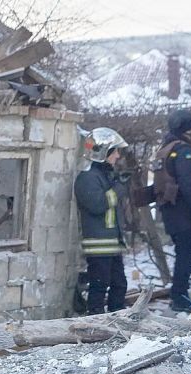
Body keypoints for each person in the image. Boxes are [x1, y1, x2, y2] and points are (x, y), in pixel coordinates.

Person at [155, 109, 191, 313]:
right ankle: (179, 296)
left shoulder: (165, 148)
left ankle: (179, 293)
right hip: (184, 213)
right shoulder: (183, 152)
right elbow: (189, 185)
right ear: (186, 130)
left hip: (170, 212)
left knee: (183, 253)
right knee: (186, 254)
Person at [74, 127, 129, 314]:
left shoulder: (103, 175)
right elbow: (97, 205)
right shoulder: (87, 178)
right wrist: (119, 189)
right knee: (99, 286)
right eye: (115, 151)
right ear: (104, 153)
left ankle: (117, 319)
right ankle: (95, 322)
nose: (118, 156)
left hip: (111, 244)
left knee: (120, 285)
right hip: (98, 245)